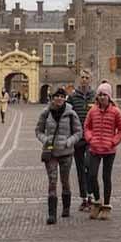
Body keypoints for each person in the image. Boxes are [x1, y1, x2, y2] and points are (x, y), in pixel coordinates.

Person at [36, 87, 82, 223]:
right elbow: (38, 130)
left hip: (66, 153)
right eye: (57, 96)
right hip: (51, 153)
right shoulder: (45, 113)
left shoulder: (71, 113)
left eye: (62, 96)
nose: (60, 99)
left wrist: (69, 142)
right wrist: (45, 139)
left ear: (65, 98)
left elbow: (78, 132)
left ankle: (66, 208)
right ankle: (52, 214)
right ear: (53, 97)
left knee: (65, 181)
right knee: (52, 182)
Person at [84, 82, 121, 220]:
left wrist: (113, 142)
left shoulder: (115, 111)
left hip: (109, 150)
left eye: (104, 95)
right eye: (100, 95)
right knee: (92, 175)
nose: (102, 97)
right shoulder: (93, 111)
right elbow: (87, 127)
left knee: (106, 177)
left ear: (109, 97)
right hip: (95, 148)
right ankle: (97, 201)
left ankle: (106, 205)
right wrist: (90, 138)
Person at [69, 70, 96, 212]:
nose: (84, 80)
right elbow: (66, 114)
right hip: (78, 138)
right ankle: (84, 198)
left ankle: (90, 194)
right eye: (82, 77)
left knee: (89, 167)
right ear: (79, 79)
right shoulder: (73, 97)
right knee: (80, 168)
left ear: (90, 80)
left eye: (87, 77)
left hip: (91, 138)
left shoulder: (95, 96)